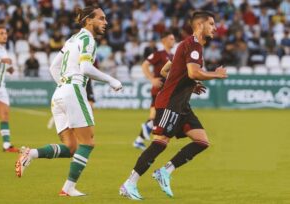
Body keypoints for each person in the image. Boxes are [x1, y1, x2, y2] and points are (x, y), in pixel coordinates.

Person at [15, 6, 122, 196]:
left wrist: (63, 86)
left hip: (59, 93)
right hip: (72, 90)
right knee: (87, 143)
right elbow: (86, 68)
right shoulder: (88, 38)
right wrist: (111, 79)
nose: (105, 22)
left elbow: (53, 68)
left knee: (72, 147)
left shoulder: (73, 39)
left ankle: (30, 154)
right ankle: (68, 188)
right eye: (102, 18)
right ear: (89, 20)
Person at [119, 11, 227, 200]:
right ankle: (129, 183)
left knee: (202, 141)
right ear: (199, 25)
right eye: (211, 23)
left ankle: (165, 172)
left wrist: (189, 85)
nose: (215, 27)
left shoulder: (185, 44)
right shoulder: (194, 45)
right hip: (170, 103)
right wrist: (215, 75)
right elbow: (193, 72)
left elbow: (165, 69)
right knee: (160, 143)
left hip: (182, 104)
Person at [133, 31, 175, 150]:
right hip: (159, 90)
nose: (173, 40)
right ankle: (149, 133)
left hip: (167, 90)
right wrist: (152, 79)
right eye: (171, 38)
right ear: (164, 40)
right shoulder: (159, 54)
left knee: (154, 116)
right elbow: (145, 65)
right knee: (158, 116)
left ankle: (140, 139)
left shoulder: (172, 56)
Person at [0, 25, 18, 153]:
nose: (4, 35)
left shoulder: (3, 49)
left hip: (1, 87)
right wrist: (1, 60)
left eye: (5, 33)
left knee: (5, 115)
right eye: (1, 33)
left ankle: (7, 145)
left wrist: (9, 69)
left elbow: (2, 64)